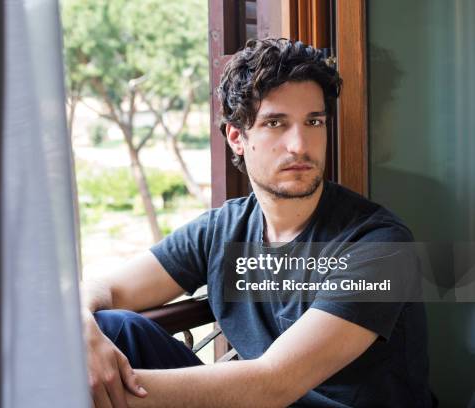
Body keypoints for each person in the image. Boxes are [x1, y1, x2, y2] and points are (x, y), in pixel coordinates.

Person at [81, 38, 434, 408]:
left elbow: (274, 382)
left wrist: (96, 392)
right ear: (237, 137)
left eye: (313, 121)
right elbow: (107, 288)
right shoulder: (222, 230)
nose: (300, 144)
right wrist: (80, 325)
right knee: (116, 328)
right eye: (275, 123)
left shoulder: (381, 246)